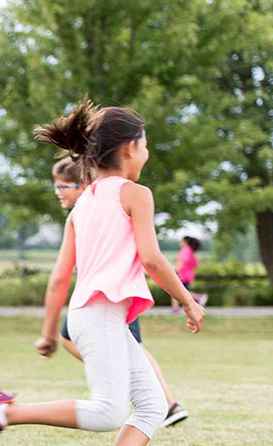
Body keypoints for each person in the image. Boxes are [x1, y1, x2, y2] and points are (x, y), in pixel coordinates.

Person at [0, 99, 205, 446]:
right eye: (145, 145)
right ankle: (3, 411)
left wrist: (50, 331)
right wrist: (187, 302)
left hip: (92, 316)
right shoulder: (135, 194)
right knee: (109, 412)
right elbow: (152, 259)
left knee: (152, 405)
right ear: (129, 147)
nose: (146, 153)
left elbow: (58, 278)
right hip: (102, 314)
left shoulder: (85, 202)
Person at [52, 157, 188, 428]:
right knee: (115, 362)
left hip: (111, 298)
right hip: (99, 301)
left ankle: (167, 402)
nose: (58, 192)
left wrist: (187, 301)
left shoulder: (98, 204)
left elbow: (151, 258)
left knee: (123, 398)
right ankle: (146, 393)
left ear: (83, 185)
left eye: (63, 186)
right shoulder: (83, 213)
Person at [172, 236, 208, 313]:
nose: (180, 243)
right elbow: (195, 264)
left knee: (177, 291)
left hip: (182, 275)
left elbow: (182, 262)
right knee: (177, 290)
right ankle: (175, 308)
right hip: (187, 275)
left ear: (185, 242)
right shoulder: (190, 251)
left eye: (181, 241)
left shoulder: (186, 250)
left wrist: (174, 270)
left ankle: (199, 297)